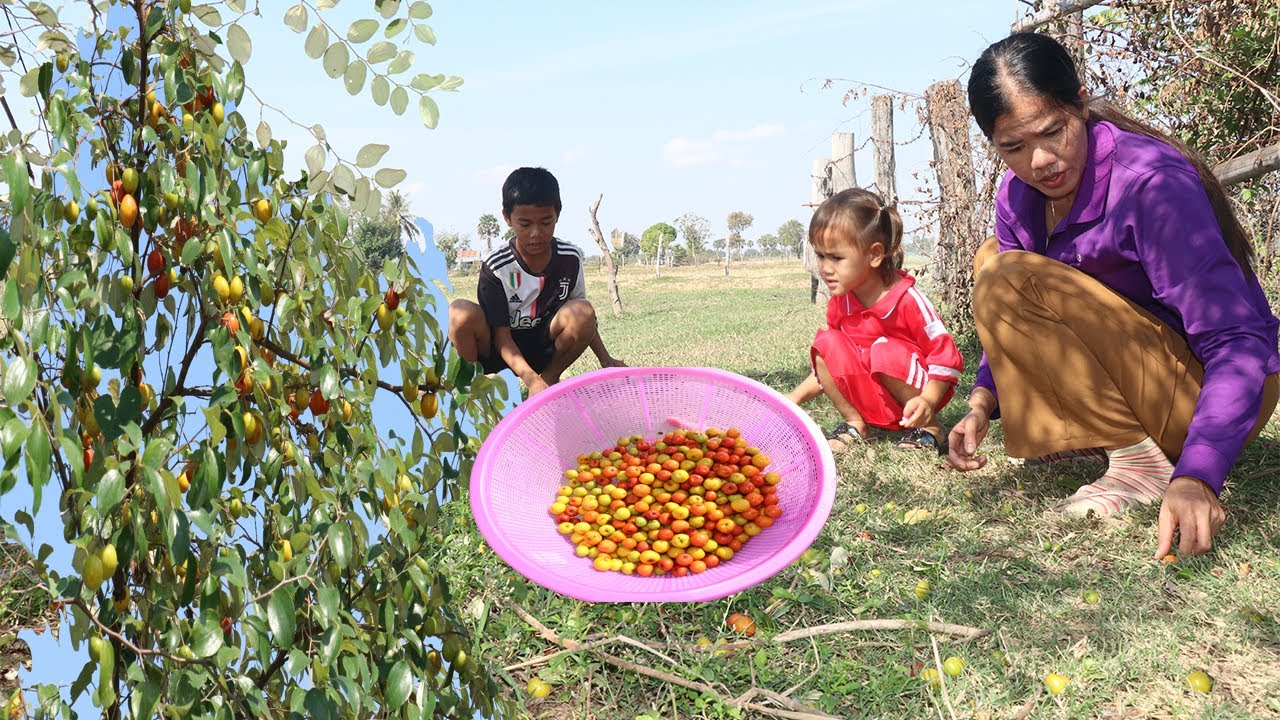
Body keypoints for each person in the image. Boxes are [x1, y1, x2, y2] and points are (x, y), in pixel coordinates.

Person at [949, 32, 1280, 559]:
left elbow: (1239, 340)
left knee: (1005, 274)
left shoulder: (1150, 182)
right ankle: (1102, 437)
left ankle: (1144, 464)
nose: (1040, 162)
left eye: (1053, 132)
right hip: (1143, 381)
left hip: (1208, 389)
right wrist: (982, 404)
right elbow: (1019, 317)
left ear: (1081, 102)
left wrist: (1200, 473)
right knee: (995, 260)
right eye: (1013, 147)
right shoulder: (1017, 198)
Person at [786, 188, 964, 454]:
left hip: (921, 394)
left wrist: (928, 400)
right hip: (873, 393)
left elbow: (945, 358)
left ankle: (930, 429)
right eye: (821, 256)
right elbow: (831, 364)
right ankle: (856, 423)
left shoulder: (907, 299)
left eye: (836, 257)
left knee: (883, 349)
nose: (825, 267)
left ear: (874, 254)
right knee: (827, 343)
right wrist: (793, 399)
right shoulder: (841, 302)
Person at [448, 167, 625, 397]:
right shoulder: (496, 266)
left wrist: (605, 359)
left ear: (557, 215)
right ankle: (471, 389)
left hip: (543, 347)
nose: (536, 233)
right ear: (507, 218)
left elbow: (586, 320)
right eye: (525, 224)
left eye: (545, 222)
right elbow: (501, 336)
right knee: (459, 312)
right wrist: (529, 378)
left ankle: (547, 383)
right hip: (499, 350)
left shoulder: (569, 258)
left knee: (583, 310)